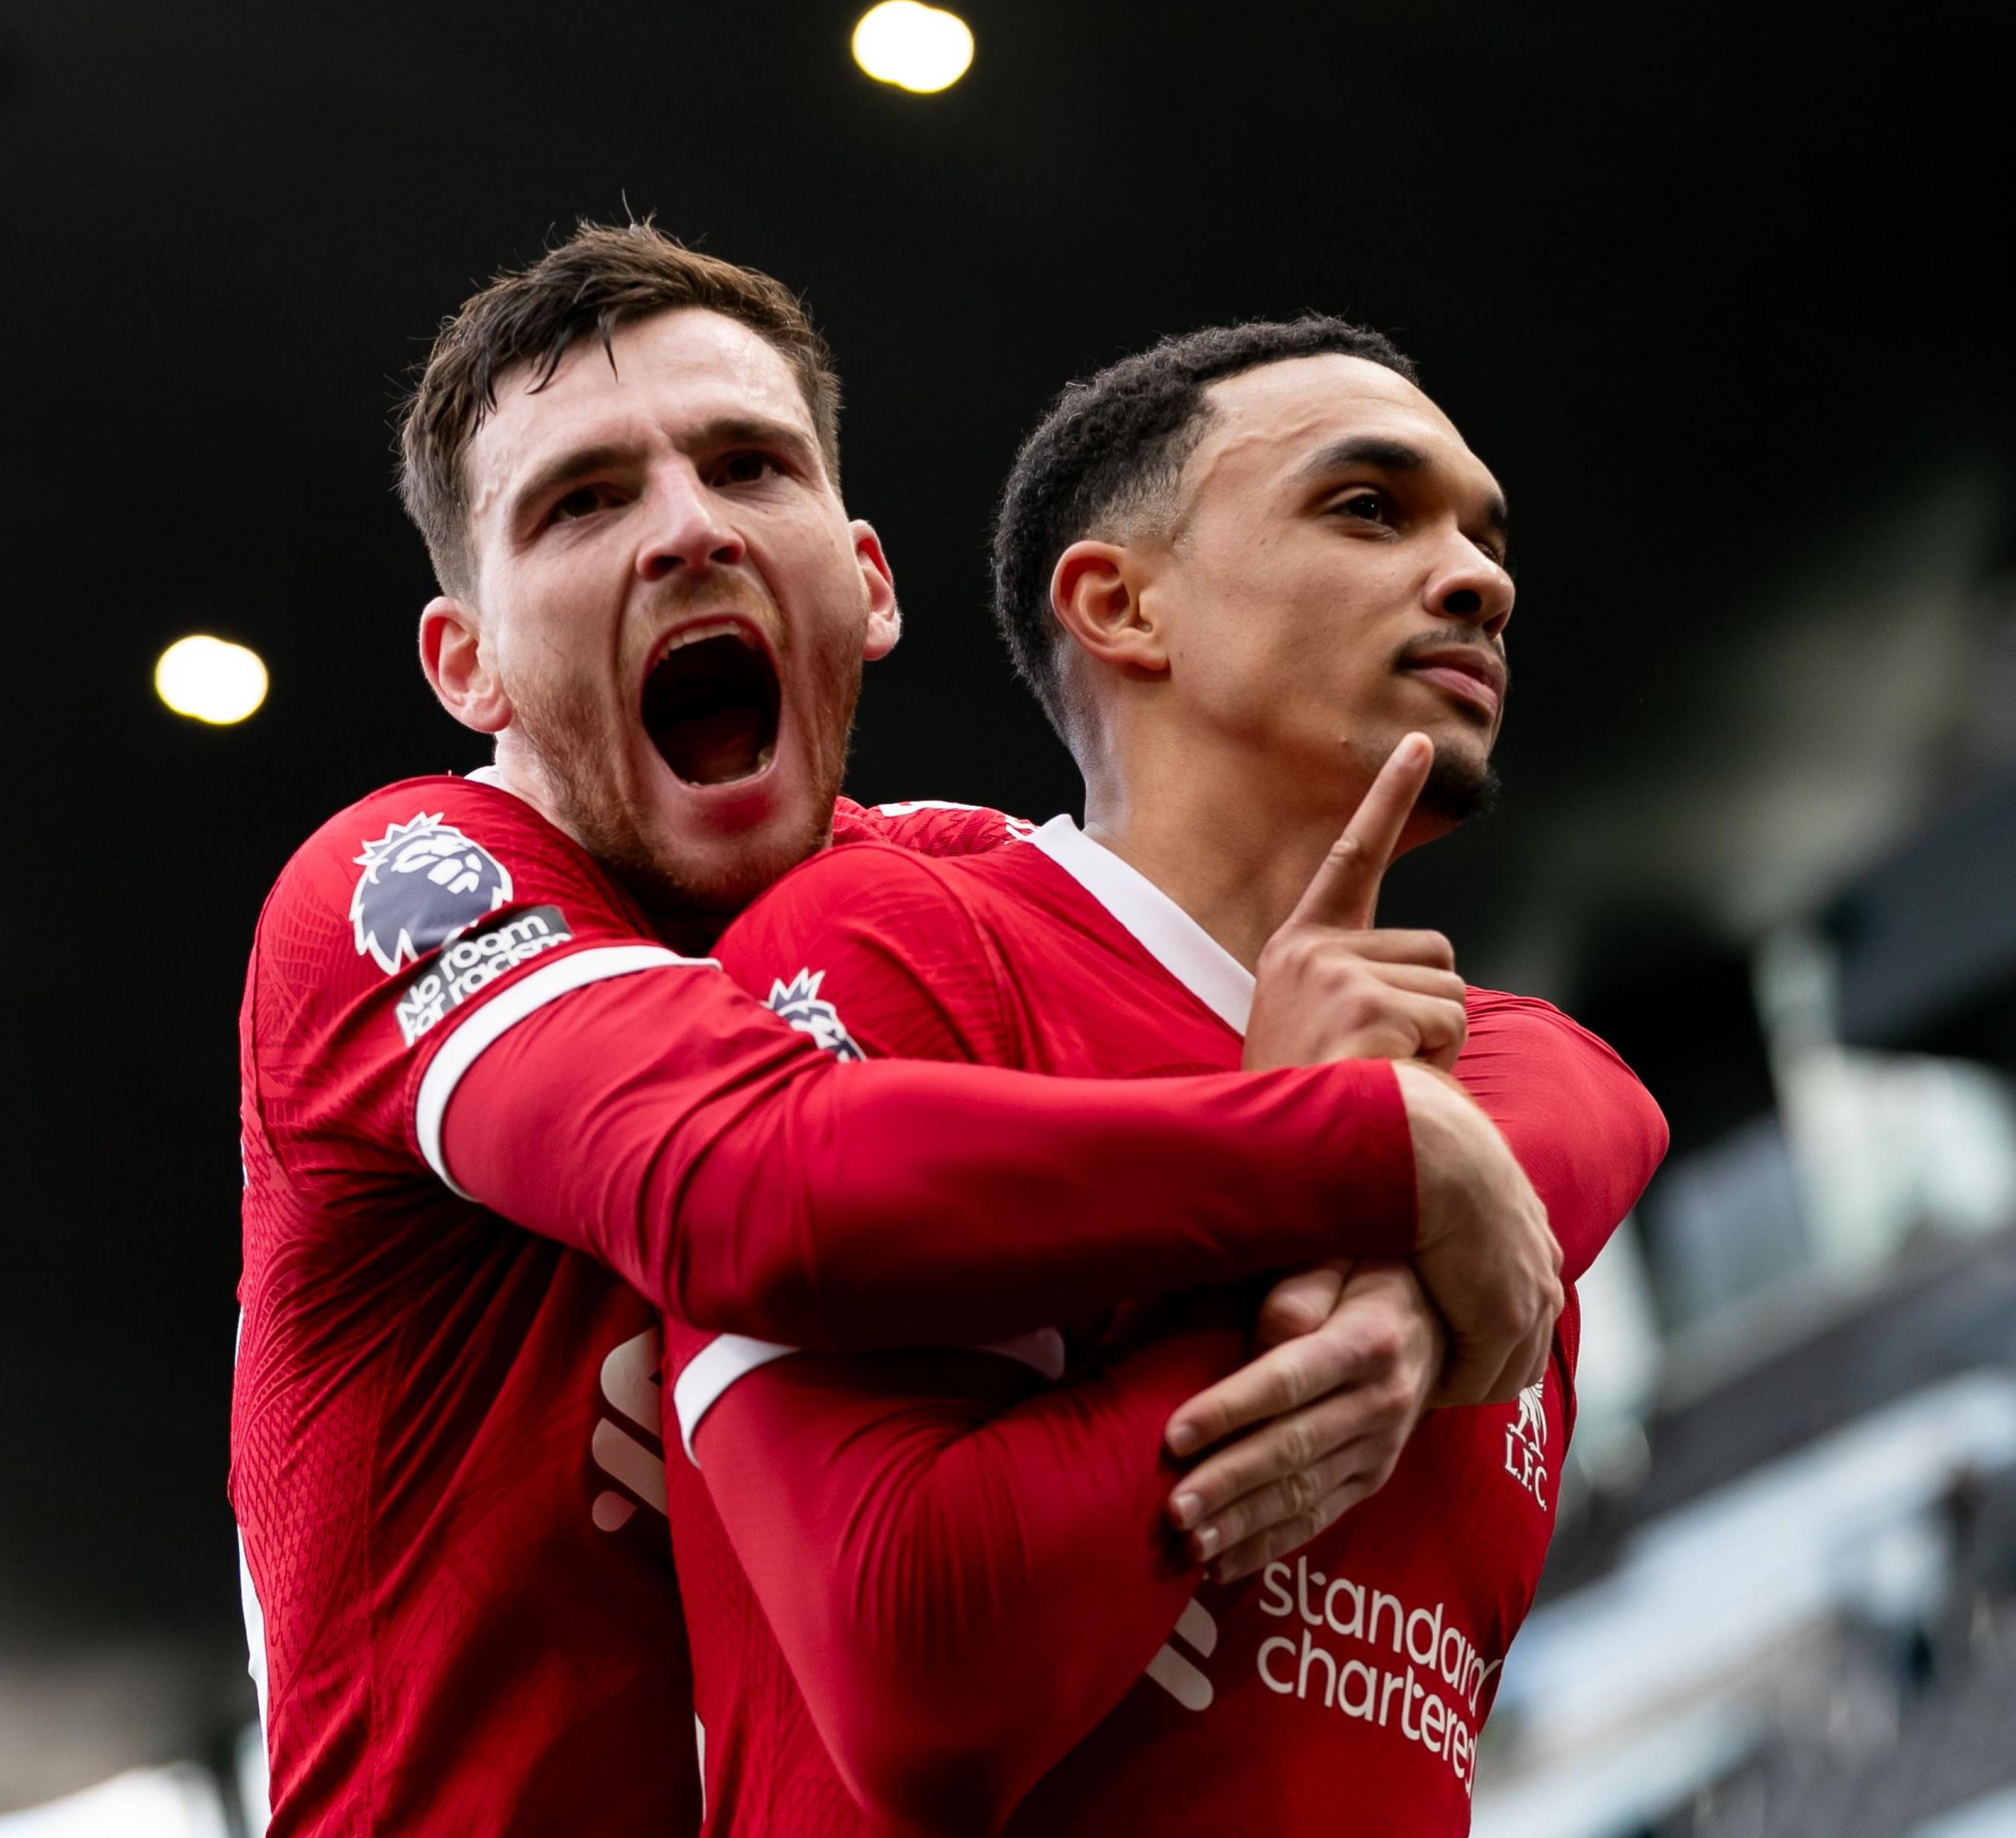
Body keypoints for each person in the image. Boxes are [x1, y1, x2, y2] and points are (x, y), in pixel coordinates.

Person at [231, 228, 1627, 1835]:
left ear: (870, 582)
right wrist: (1356, 1149)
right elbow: (757, 1181)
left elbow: (1546, 1063)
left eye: (748, 464)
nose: (688, 531)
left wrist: (1409, 1221)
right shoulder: (405, 884)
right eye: (584, 500)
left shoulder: (932, 892)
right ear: (463, 660)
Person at [663, 316, 1667, 1834]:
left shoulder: (1493, 1133)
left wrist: (1388, 1206)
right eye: (1370, 506)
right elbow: (921, 1679)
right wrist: (1317, 1187)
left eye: (1485, 532)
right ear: (1121, 603)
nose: (1482, 576)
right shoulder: (900, 942)